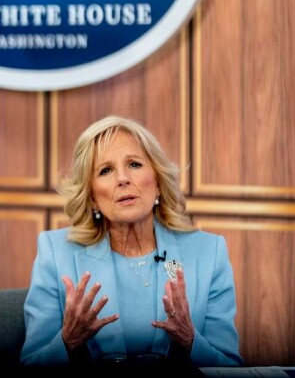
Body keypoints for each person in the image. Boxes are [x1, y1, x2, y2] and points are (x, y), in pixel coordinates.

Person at [20, 115, 243, 369]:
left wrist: (190, 341)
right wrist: (67, 341)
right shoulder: (56, 254)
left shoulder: (207, 253)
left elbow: (230, 367)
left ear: (158, 182)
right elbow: (31, 363)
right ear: (92, 197)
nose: (123, 179)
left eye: (135, 165)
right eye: (106, 170)